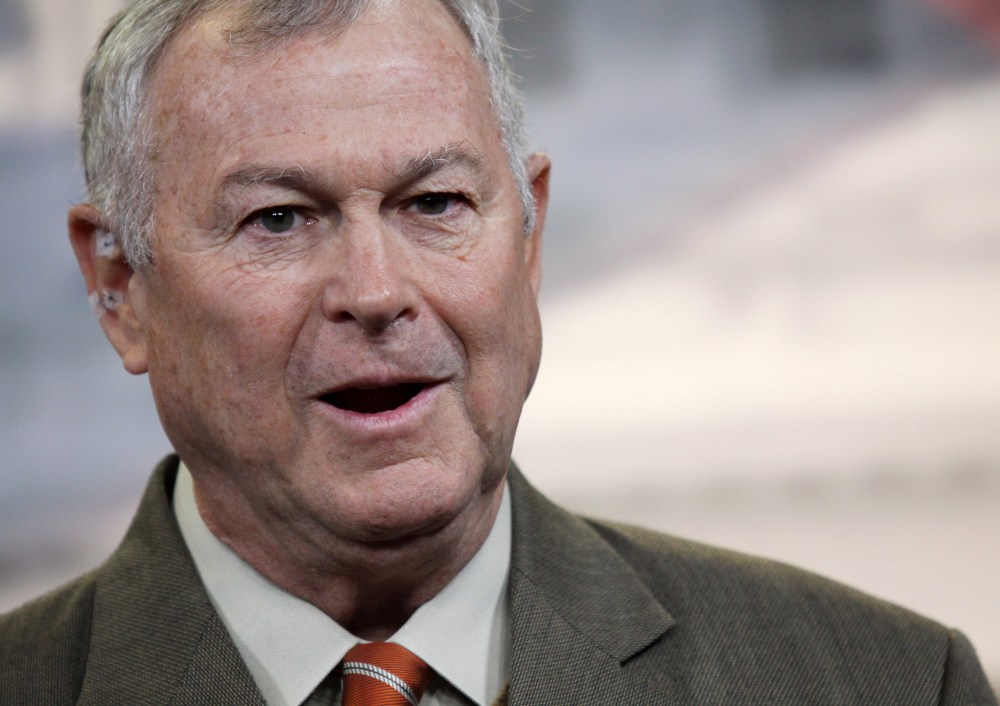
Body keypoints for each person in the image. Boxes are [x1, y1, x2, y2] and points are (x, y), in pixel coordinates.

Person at [0, 0, 996, 703]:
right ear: (120, 288)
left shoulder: (883, 681)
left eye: (433, 204)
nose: (378, 292)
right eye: (278, 220)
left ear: (528, 237)